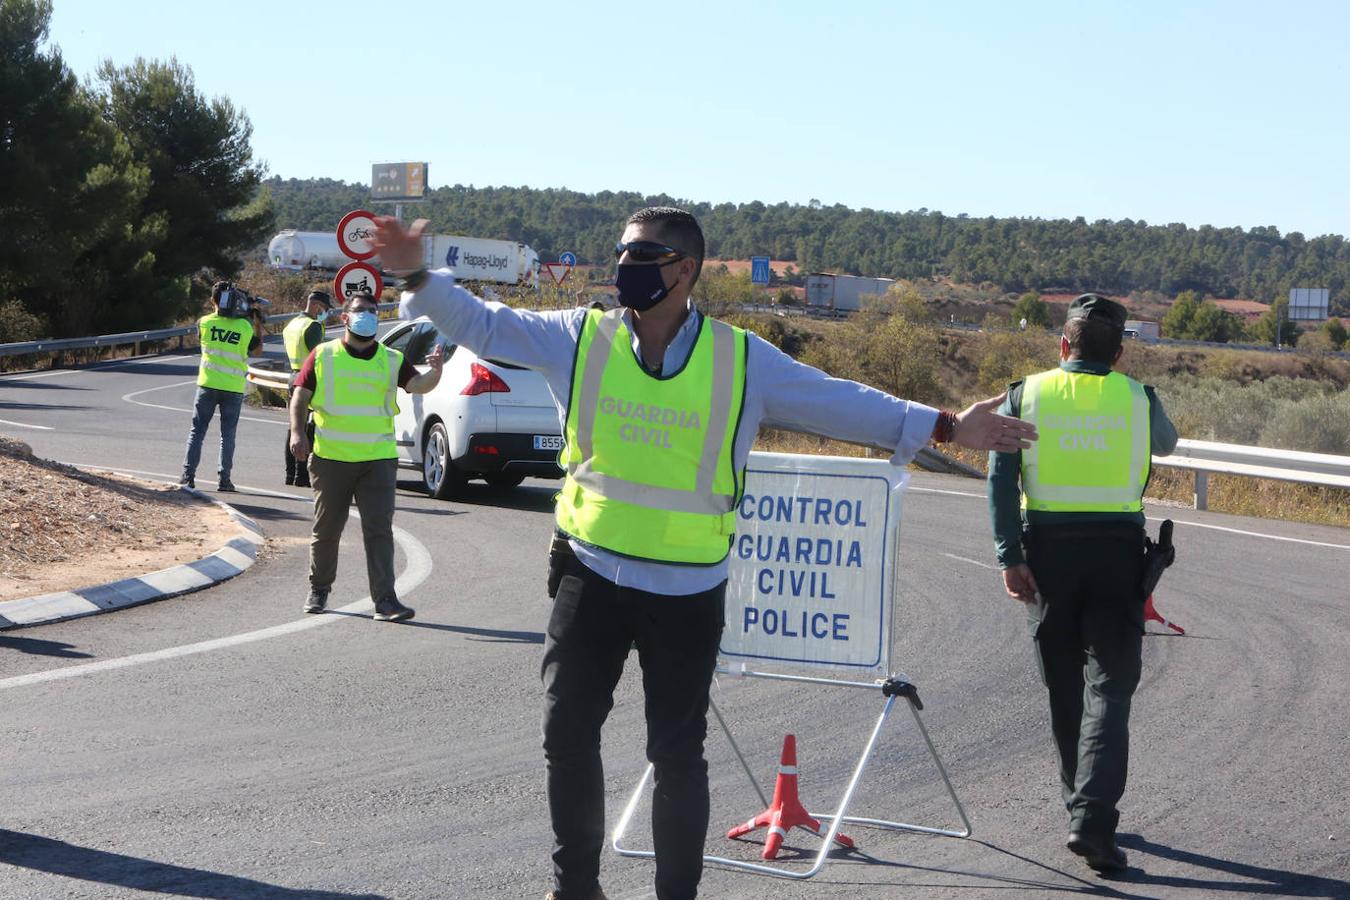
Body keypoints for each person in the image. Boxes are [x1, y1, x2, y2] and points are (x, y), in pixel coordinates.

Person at [373, 207, 1036, 900]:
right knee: (566, 736)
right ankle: (575, 888)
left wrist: (951, 426)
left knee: (677, 755)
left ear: (684, 270)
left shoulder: (741, 359)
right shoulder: (580, 337)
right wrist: (416, 273)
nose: (626, 265)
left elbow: (842, 402)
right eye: (623, 252)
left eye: (644, 255)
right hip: (590, 571)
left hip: (686, 591)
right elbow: (482, 323)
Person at [986, 293, 1177, 873]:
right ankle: (1091, 818)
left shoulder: (1029, 393)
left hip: (1046, 555)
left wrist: (1008, 556)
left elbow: (1000, 479)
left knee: (1064, 686)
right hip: (1117, 557)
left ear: (1063, 345)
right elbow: (1166, 444)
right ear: (1119, 353)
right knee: (1110, 688)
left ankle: (1082, 807)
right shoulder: (1138, 398)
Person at [288, 290, 444, 621]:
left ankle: (385, 601)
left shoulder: (391, 358)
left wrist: (436, 372)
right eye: (361, 311)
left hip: (378, 460)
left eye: (373, 312)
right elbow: (299, 397)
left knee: (379, 529)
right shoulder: (323, 355)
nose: (368, 317)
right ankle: (319, 588)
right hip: (331, 459)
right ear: (344, 317)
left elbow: (418, 385)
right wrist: (297, 432)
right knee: (327, 529)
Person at [180, 281, 264, 491]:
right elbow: (257, 351)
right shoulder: (244, 327)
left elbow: (203, 339)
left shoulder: (204, 323)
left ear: (212, 301)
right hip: (233, 388)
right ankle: (224, 480)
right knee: (227, 436)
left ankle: (188, 476)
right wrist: (255, 321)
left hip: (207, 385)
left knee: (197, 432)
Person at [282, 289, 333, 487]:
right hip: (309, 379)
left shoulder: (292, 324)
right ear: (317, 305)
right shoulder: (312, 326)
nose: (325, 313)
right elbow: (317, 355)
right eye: (325, 309)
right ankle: (301, 476)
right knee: (308, 428)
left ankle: (290, 474)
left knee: (294, 426)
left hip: (293, 376)